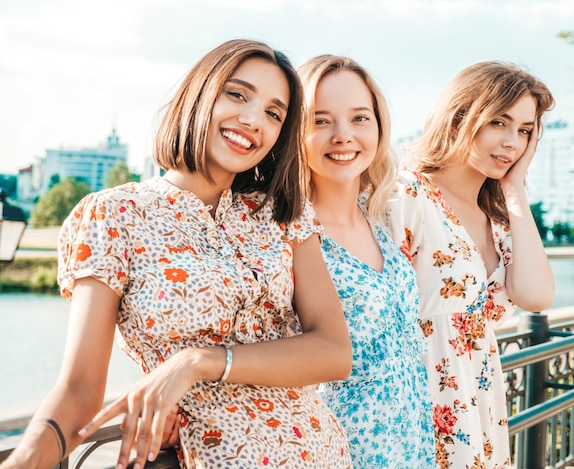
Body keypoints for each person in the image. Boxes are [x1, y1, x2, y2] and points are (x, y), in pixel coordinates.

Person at [0, 39, 353, 469]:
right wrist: (23, 460)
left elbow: (335, 352)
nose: (251, 120)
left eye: (273, 113)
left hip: (319, 454)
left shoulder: (283, 215)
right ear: (200, 94)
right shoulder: (114, 214)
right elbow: (78, 390)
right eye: (237, 94)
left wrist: (196, 362)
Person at [387, 60, 556, 468]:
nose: (512, 142)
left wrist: (514, 189)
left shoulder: (498, 220)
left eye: (525, 130)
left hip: (478, 405)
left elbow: (536, 296)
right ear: (461, 116)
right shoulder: (406, 195)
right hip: (415, 404)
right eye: (499, 122)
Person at [297, 54, 435, 467]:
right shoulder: (285, 230)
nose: (343, 135)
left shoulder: (378, 217)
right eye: (321, 121)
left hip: (411, 446)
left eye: (359, 118)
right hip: (335, 450)